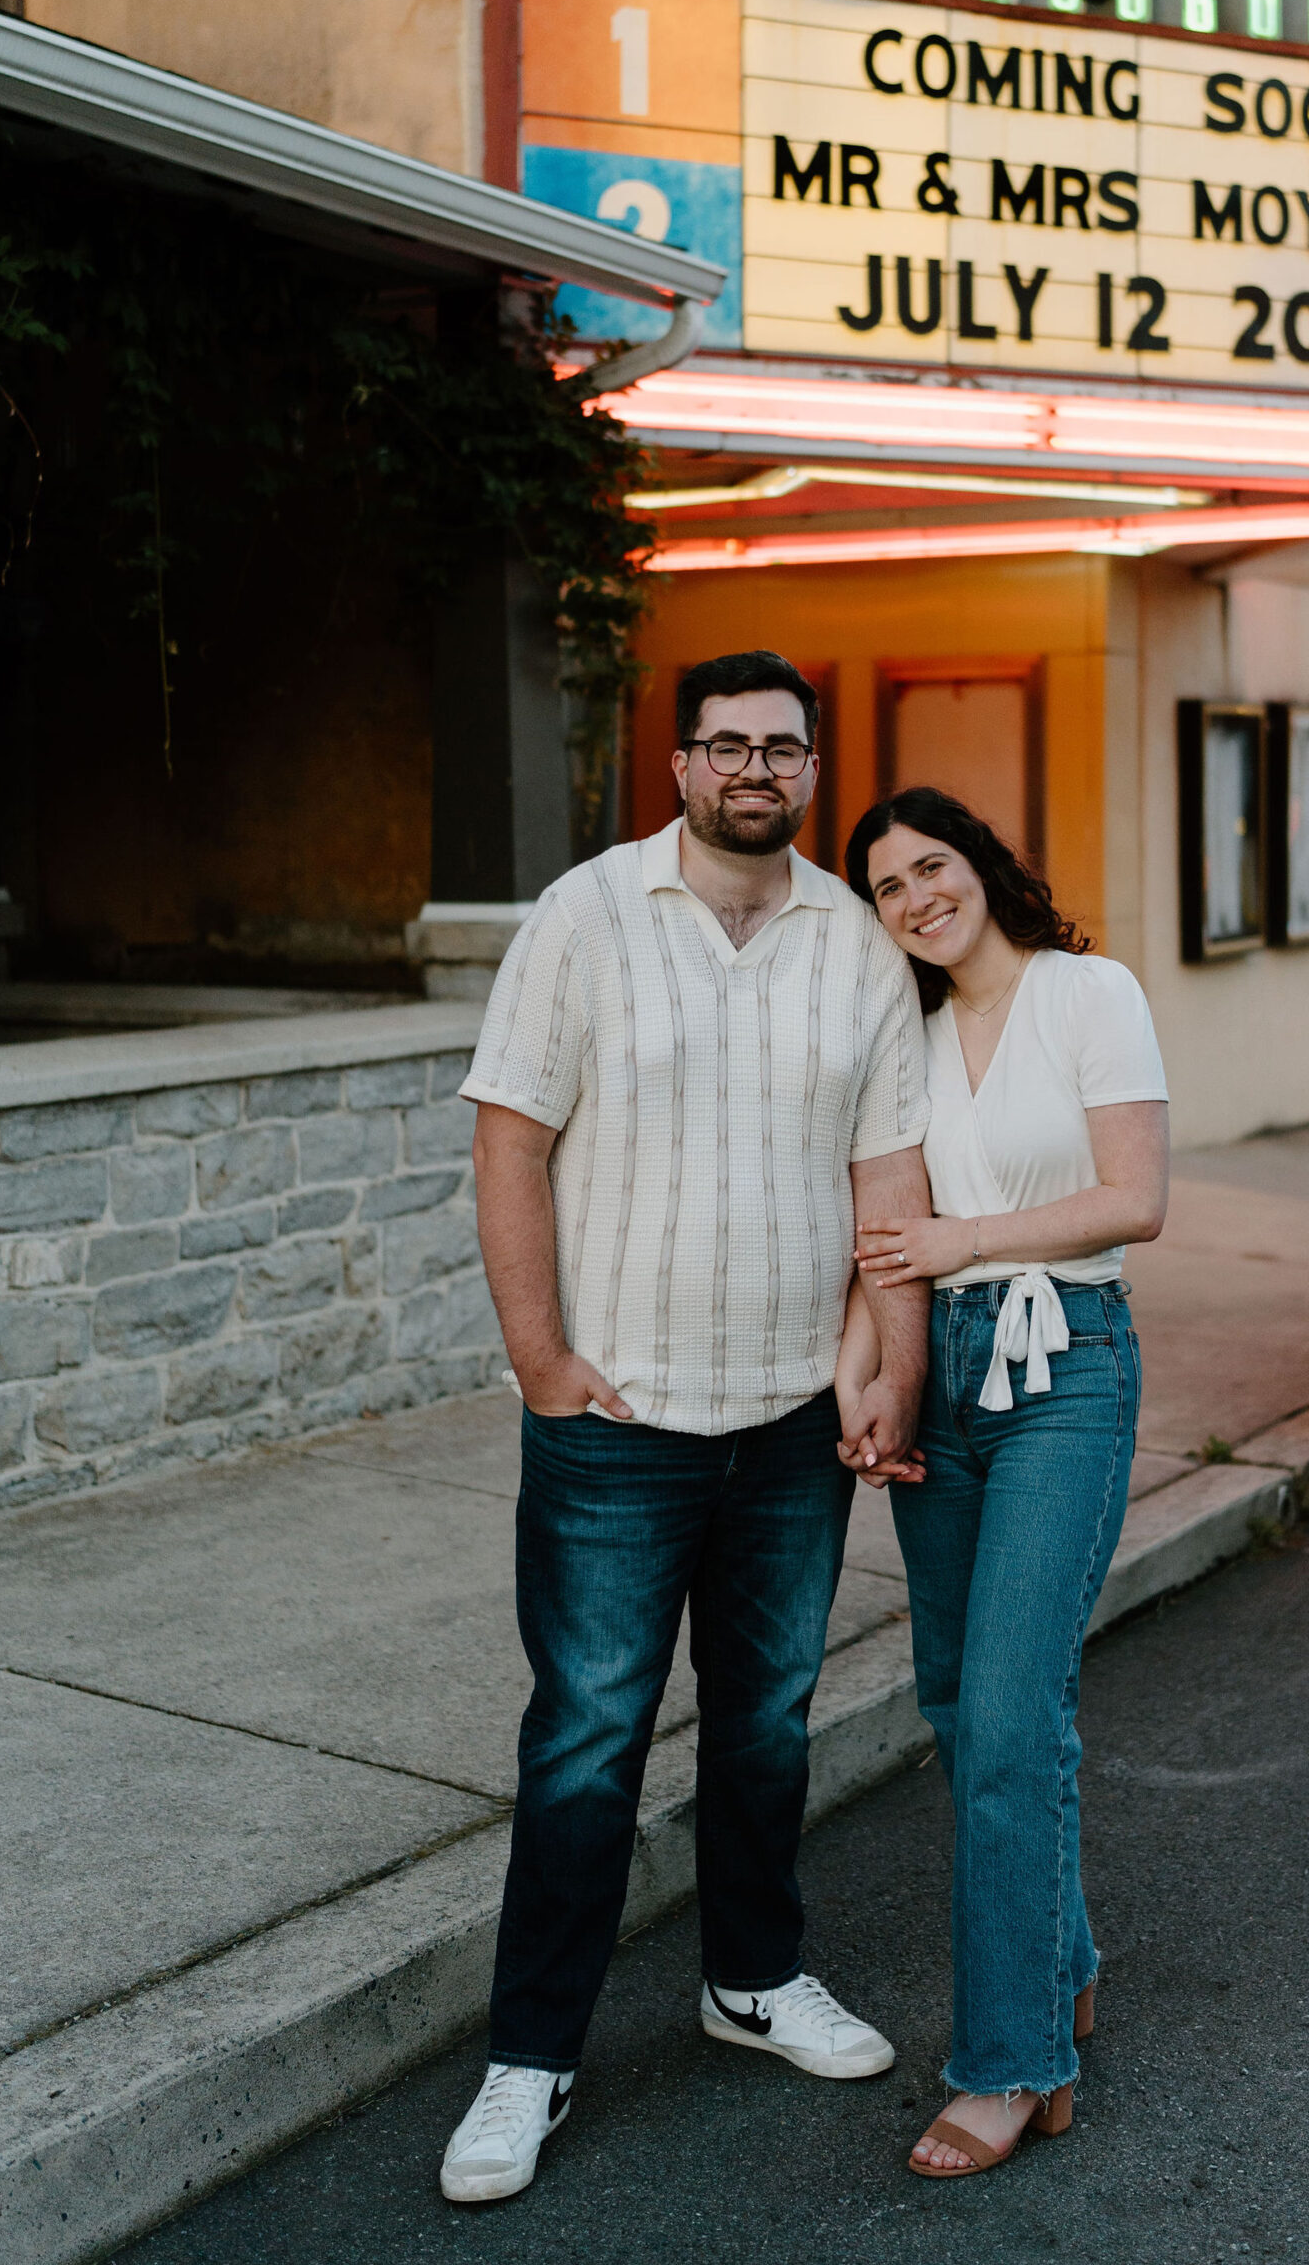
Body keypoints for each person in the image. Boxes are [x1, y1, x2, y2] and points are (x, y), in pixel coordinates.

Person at [440, 651, 933, 2206]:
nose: (754, 773)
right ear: (678, 767)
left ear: (810, 770)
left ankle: (753, 1980)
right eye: (726, 748)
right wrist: (540, 1360)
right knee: (587, 1743)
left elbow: (888, 1186)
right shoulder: (584, 917)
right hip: (619, 1420)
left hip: (790, 1418)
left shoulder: (855, 945)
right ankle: (532, 2056)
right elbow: (510, 1140)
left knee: (768, 1722)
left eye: (782, 751)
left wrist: (883, 1365)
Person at [839, 787, 1169, 2181]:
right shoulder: (897, 1043)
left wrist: (962, 1237)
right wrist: (872, 1378)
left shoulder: (1090, 993)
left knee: (1018, 1717)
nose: (919, 897)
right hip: (945, 1371)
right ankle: (1062, 1965)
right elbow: (882, 1245)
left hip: (1065, 1363)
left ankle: (1014, 2065)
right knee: (962, 1706)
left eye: (933, 865)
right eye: (887, 889)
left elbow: (1132, 1197)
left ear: (981, 864)